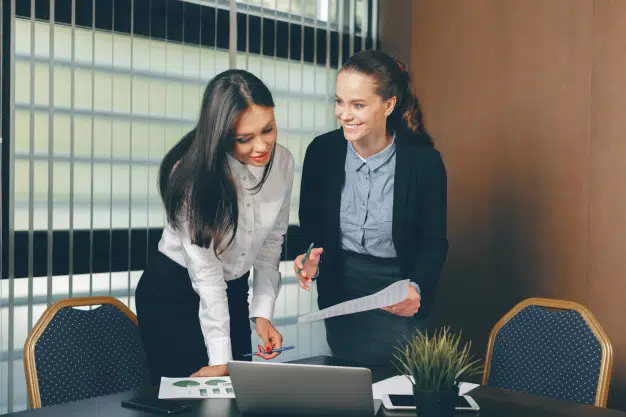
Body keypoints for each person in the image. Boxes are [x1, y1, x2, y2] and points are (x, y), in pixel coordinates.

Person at [136, 69, 294, 383]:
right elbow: (205, 274)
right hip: (174, 295)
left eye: (268, 129)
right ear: (221, 134)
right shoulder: (192, 176)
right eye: (244, 139)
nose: (262, 146)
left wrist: (262, 313)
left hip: (232, 289)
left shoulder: (284, 163)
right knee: (190, 398)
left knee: (237, 392)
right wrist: (221, 357)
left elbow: (270, 244)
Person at [294, 50, 448, 368]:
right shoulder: (321, 152)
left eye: (358, 105)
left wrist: (415, 286)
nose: (344, 114)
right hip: (341, 289)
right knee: (351, 383)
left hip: (397, 288)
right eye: (339, 102)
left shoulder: (425, 162)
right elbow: (311, 227)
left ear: (388, 105)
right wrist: (309, 260)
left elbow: (434, 241)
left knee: (398, 388)